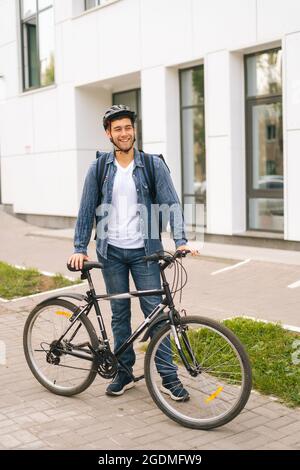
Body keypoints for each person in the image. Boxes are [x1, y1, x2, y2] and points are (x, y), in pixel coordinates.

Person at [68, 104, 198, 400]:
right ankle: (123, 373)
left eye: (128, 127)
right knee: (119, 315)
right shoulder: (99, 168)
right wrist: (79, 248)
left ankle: (168, 378)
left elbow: (172, 203)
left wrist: (181, 240)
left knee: (157, 316)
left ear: (134, 130)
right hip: (111, 252)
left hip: (145, 252)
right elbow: (86, 209)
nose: (124, 133)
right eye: (117, 129)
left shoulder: (152, 165)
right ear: (108, 134)